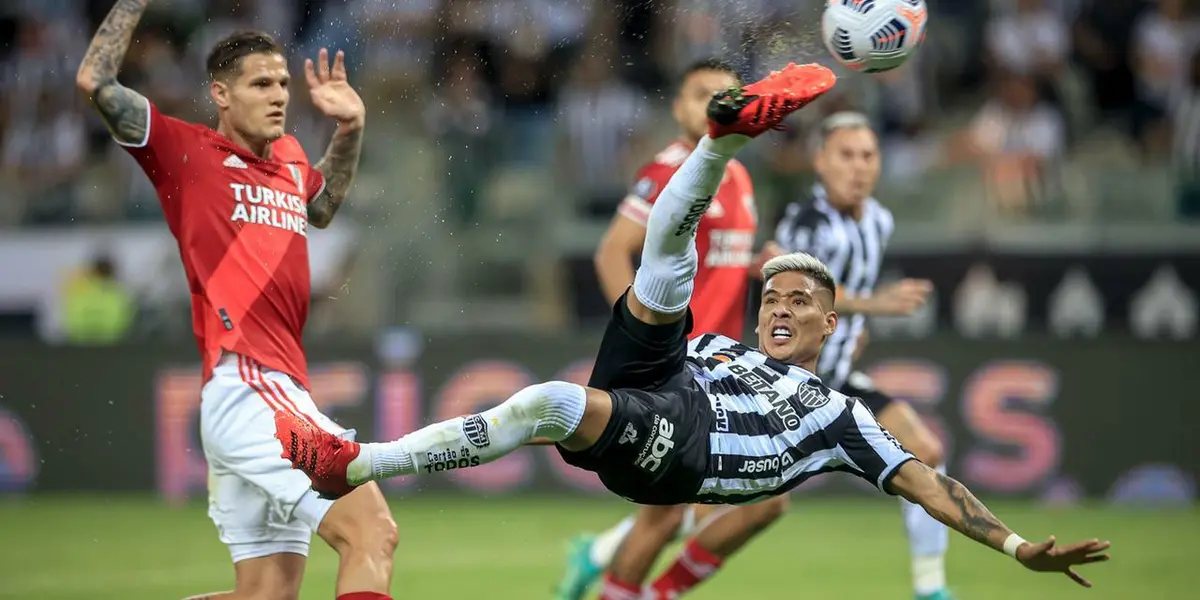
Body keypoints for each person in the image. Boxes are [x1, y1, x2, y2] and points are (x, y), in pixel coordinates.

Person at [275, 63, 1110, 594]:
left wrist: (1016, 545)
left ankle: (357, 463)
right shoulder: (726, 346)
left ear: (829, 321)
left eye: (798, 303)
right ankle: (719, 141)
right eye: (772, 297)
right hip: (675, 381)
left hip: (688, 451)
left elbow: (930, 482)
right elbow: (663, 289)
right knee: (664, 271)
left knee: (552, 405)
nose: (779, 308)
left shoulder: (840, 419)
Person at [75, 3, 396, 600]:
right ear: (221, 94)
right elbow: (95, 82)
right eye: (260, 84)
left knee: (265, 597)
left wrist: (350, 130)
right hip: (249, 387)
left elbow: (321, 209)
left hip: (272, 390)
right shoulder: (184, 152)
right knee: (372, 533)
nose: (278, 95)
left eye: (281, 83)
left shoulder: (293, 159)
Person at [565, 58, 788, 600]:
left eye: (726, 95)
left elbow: (714, 258)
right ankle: (622, 581)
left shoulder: (735, 172)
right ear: (678, 107)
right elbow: (612, 250)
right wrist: (642, 339)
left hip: (722, 362)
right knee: (668, 513)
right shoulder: (669, 169)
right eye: (701, 95)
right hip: (678, 365)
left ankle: (615, 569)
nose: (715, 104)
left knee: (763, 495)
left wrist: (758, 262)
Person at [774, 111, 951, 600]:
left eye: (868, 156)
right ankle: (605, 554)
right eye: (846, 155)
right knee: (721, 502)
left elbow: (847, 295)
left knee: (926, 453)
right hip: (782, 385)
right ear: (820, 162)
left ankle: (931, 590)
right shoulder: (807, 222)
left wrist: (858, 326)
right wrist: (875, 304)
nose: (859, 167)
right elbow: (802, 290)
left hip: (838, 379)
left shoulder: (879, 220)